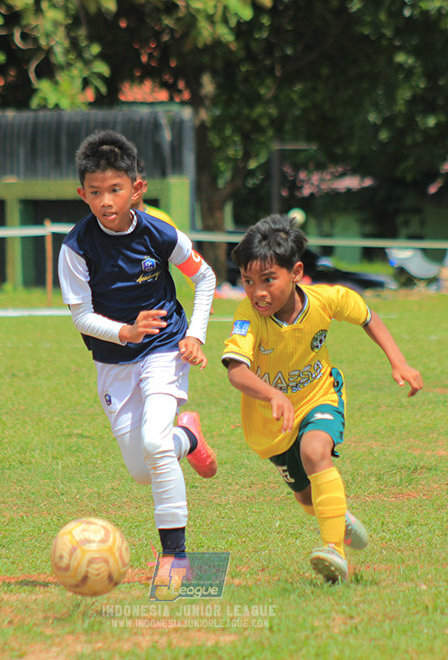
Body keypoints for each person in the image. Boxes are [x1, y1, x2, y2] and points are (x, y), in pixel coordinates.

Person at [221, 215, 423, 583]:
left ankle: (334, 551)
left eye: (268, 280)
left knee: (315, 452)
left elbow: (368, 317)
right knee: (306, 498)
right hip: (272, 422)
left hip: (319, 396)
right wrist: (273, 394)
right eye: (248, 282)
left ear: (296, 272)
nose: (258, 292)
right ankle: (337, 515)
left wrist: (399, 362)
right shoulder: (248, 316)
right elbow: (236, 371)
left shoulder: (325, 300)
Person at [58, 130, 218, 561]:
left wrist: (195, 335)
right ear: (82, 194)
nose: (106, 201)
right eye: (95, 192)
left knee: (154, 443)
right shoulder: (75, 248)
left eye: (115, 189)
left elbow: (204, 278)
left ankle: (175, 559)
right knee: (141, 469)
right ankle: (188, 435)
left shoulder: (160, 234)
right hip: (113, 359)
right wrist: (125, 332)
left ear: (136, 189)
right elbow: (82, 318)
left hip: (164, 347)